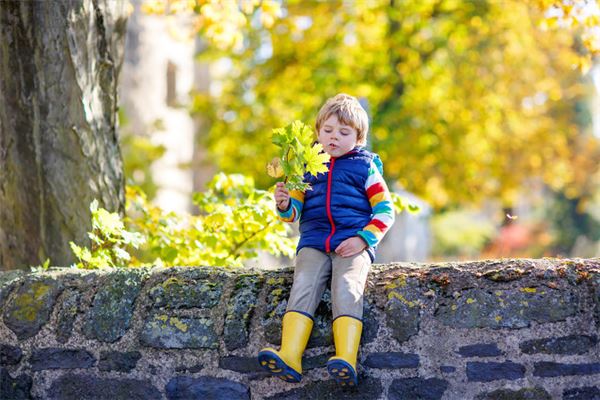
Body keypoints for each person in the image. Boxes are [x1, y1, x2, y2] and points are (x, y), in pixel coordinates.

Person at [257, 93, 395, 387]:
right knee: (304, 283)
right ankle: (291, 354)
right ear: (317, 132)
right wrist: (283, 204)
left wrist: (363, 240)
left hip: (352, 243)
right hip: (314, 242)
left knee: (347, 286)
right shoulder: (305, 167)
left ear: (359, 138)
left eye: (344, 133)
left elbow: (385, 211)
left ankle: (347, 357)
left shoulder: (365, 167)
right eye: (327, 131)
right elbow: (293, 213)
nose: (334, 138)